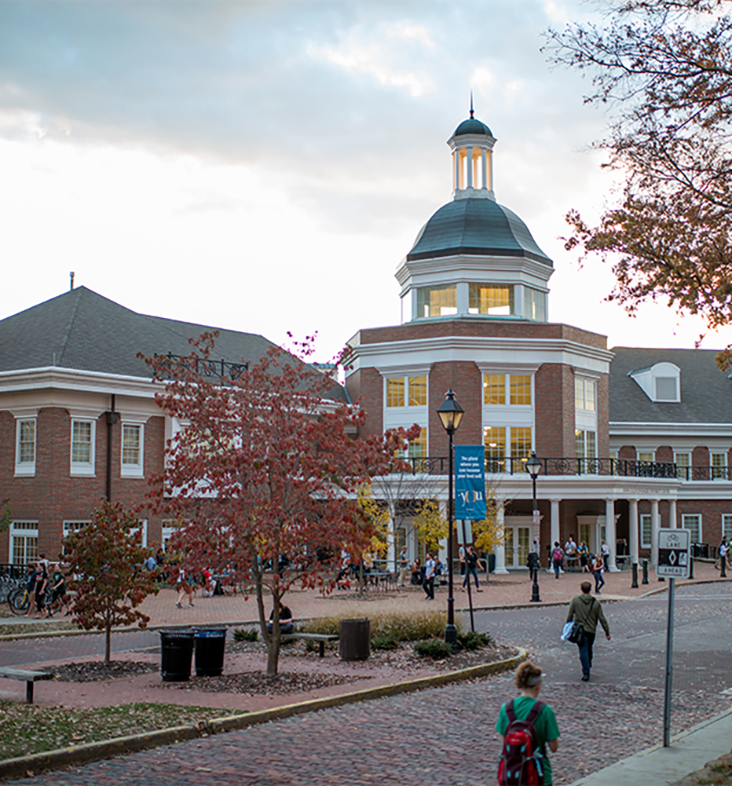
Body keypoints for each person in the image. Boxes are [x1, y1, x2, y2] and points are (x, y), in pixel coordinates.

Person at [496, 661, 560, 785]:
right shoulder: (545, 711)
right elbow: (554, 747)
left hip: (513, 775)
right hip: (539, 776)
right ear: (538, 685)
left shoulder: (506, 709)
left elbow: (504, 742)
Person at [566, 581, 611, 681]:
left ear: (581, 589)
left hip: (580, 630)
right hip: (591, 630)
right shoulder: (595, 603)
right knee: (589, 648)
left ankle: (586, 670)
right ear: (590, 589)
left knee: (583, 650)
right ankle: (588, 664)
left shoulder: (575, 601)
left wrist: (567, 628)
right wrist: (607, 631)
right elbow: (602, 618)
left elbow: (569, 616)